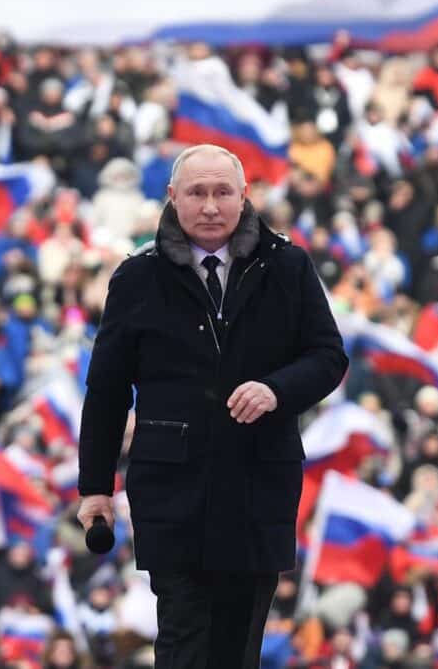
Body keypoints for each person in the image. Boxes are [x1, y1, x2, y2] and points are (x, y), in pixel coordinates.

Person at [76, 144, 348, 668]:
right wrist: (94, 486)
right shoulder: (136, 277)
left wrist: (276, 389)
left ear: (244, 197)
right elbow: (107, 390)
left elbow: (328, 356)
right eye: (196, 193)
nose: (209, 206)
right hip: (172, 496)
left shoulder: (287, 266)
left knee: (237, 647)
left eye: (222, 192)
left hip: (257, 489)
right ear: (172, 197)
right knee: (183, 641)